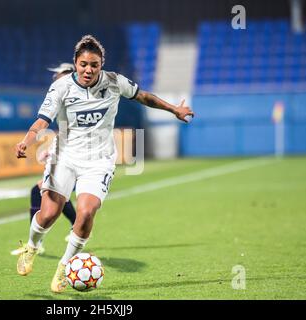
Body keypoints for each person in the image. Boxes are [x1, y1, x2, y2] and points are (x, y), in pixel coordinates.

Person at [14, 35, 194, 293]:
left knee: (86, 212)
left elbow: (144, 96)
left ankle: (65, 267)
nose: (88, 70)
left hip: (98, 161)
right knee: (48, 214)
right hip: (65, 156)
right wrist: (26, 141)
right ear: (76, 63)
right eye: (84, 64)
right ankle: (31, 246)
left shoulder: (114, 82)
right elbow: (42, 120)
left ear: (101, 65)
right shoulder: (61, 87)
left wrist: (174, 109)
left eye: (94, 65)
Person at [11, 63, 77, 256]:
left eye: (57, 74)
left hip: (80, 158)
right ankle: (74, 228)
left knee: (51, 194)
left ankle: (38, 244)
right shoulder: (62, 96)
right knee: (53, 194)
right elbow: (66, 130)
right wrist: (52, 148)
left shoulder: (71, 95)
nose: (54, 78)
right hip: (67, 154)